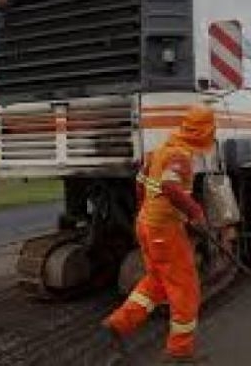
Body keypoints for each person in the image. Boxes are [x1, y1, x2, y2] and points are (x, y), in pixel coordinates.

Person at [103, 105, 216, 364]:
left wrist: (147, 213)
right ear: (205, 131)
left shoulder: (159, 151)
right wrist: (196, 214)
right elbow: (169, 186)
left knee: (156, 282)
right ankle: (180, 353)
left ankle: (118, 323)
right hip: (164, 231)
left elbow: (141, 183)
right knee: (185, 289)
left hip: (147, 225)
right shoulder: (180, 156)